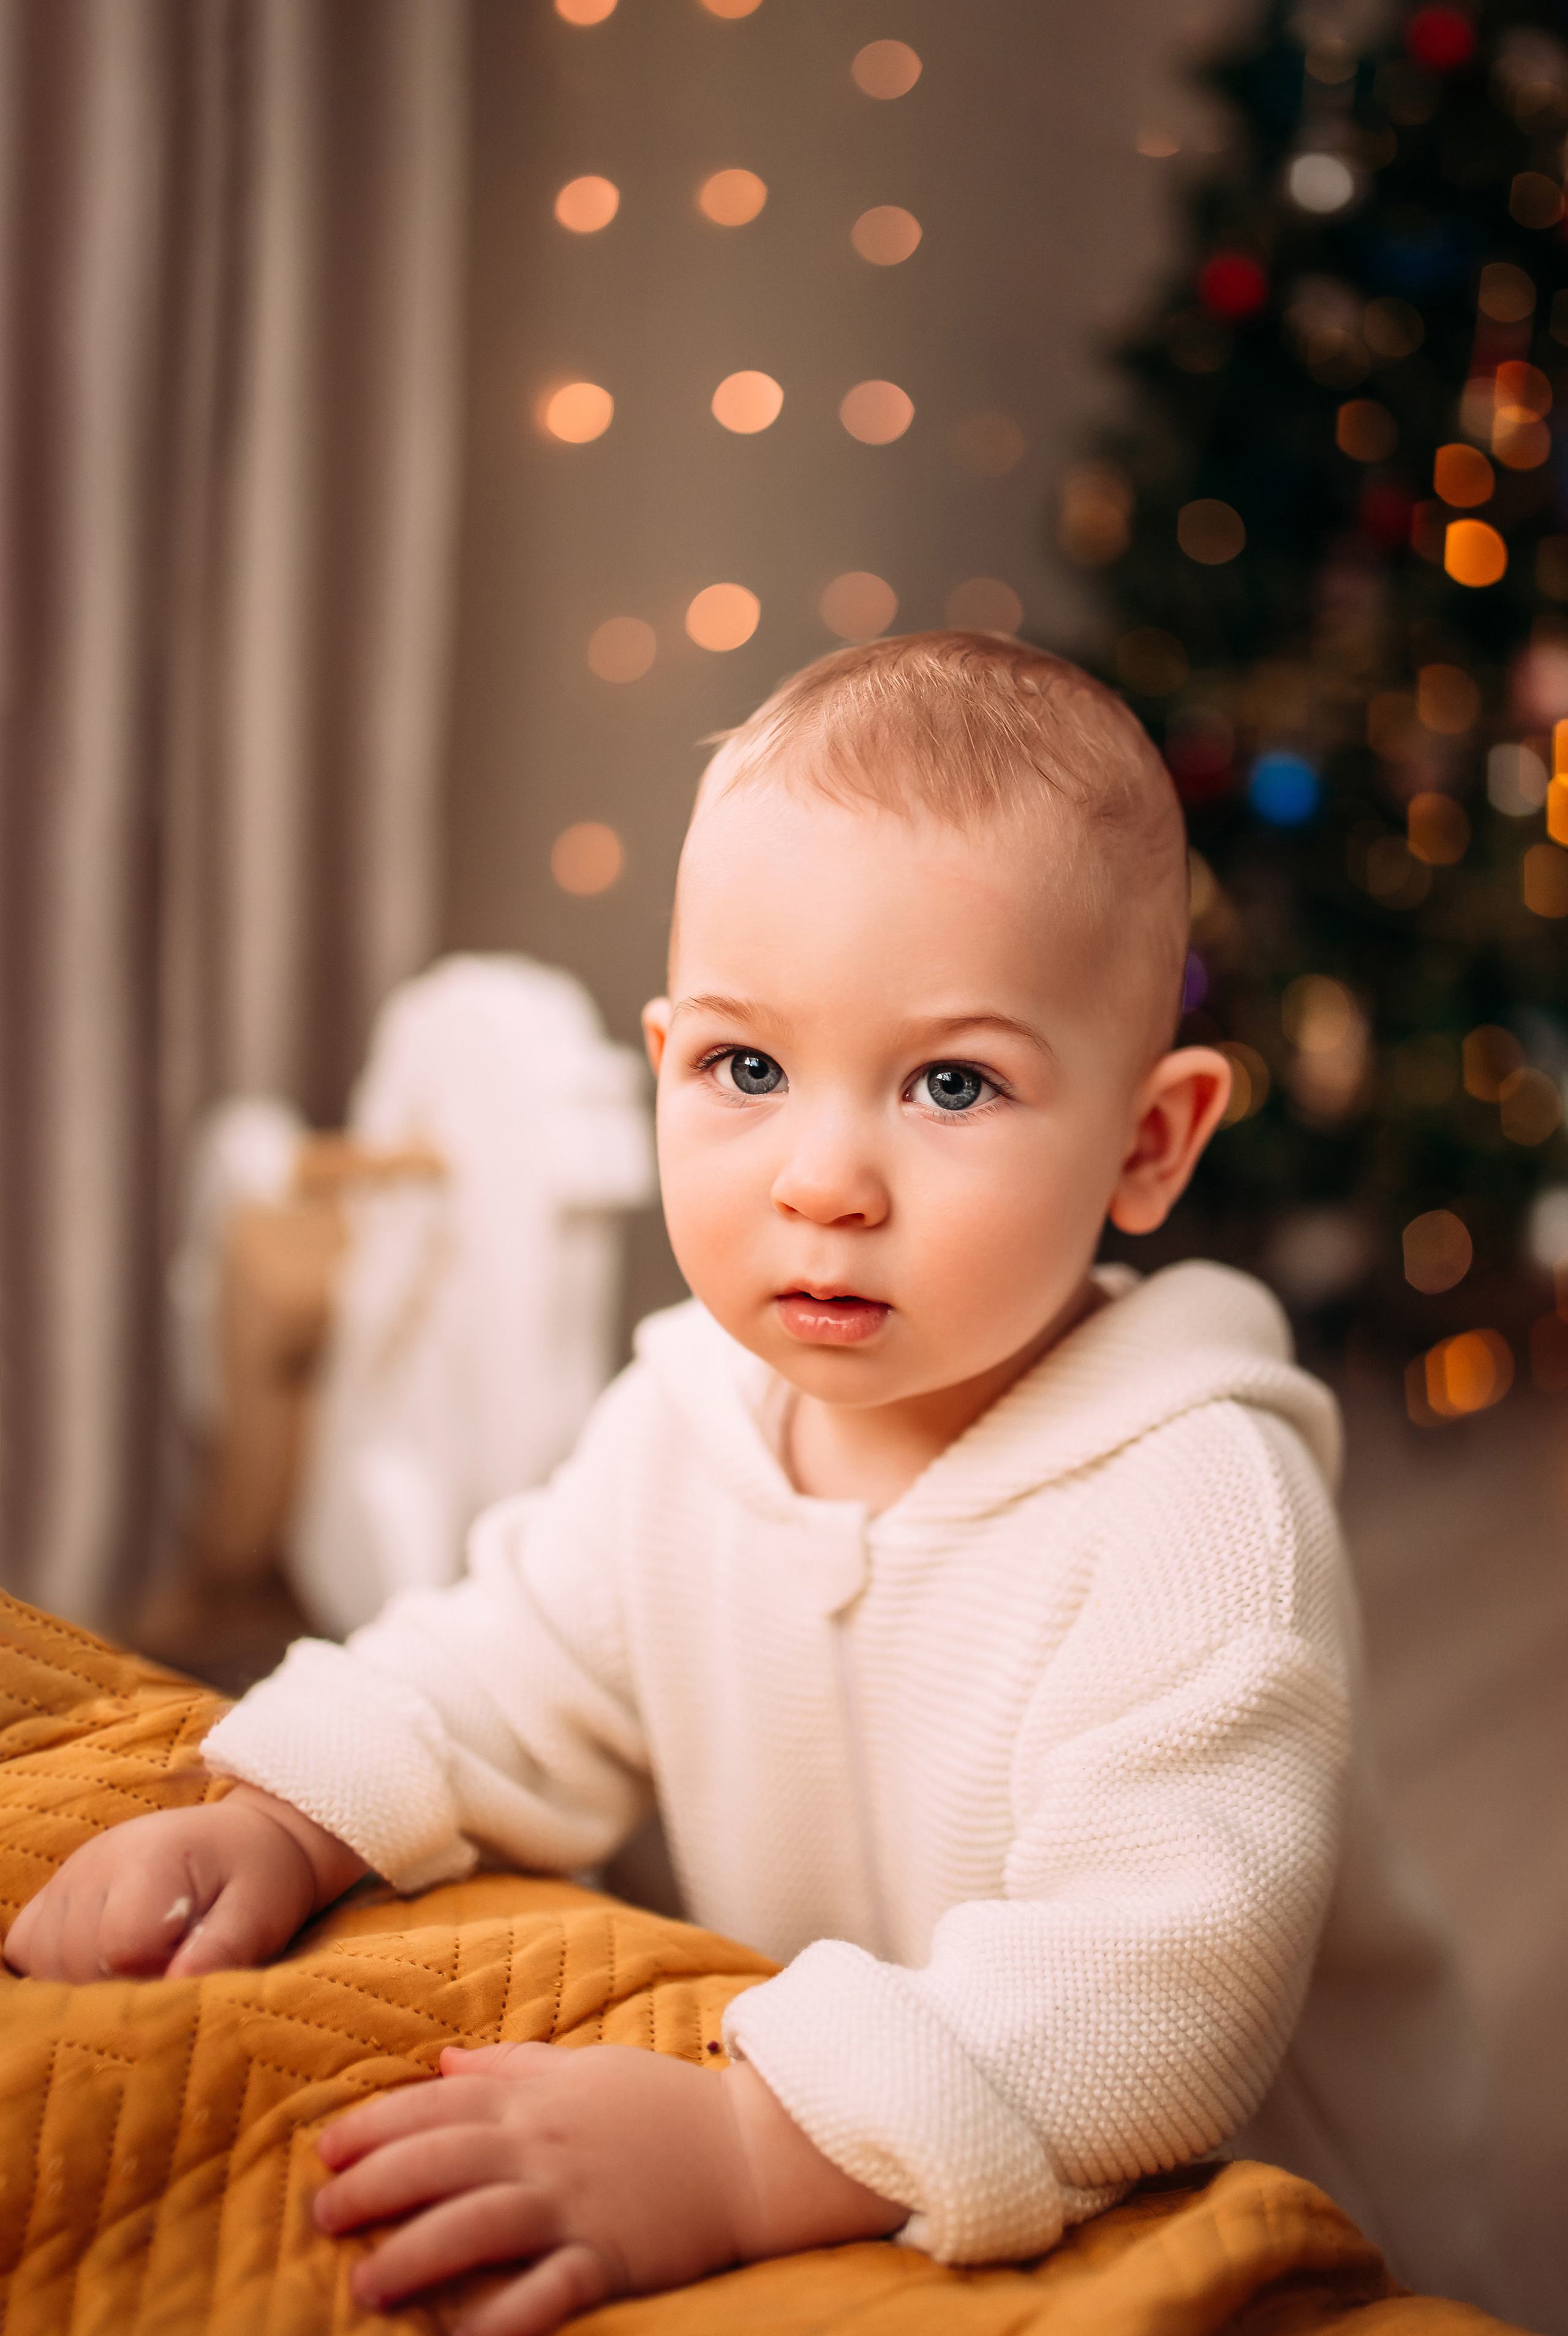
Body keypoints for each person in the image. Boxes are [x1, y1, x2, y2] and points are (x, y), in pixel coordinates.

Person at [5, 635, 1489, 2332]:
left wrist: (742, 2143)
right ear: (665, 1062)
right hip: (893, 2113)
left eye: (952, 1083)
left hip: (1233, 2196)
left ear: (1150, 1144)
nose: (823, 1179)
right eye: (748, 1068)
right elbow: (510, 1663)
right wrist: (282, 1816)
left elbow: (1151, 1993)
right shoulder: (692, 1411)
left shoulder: (1195, 1505)